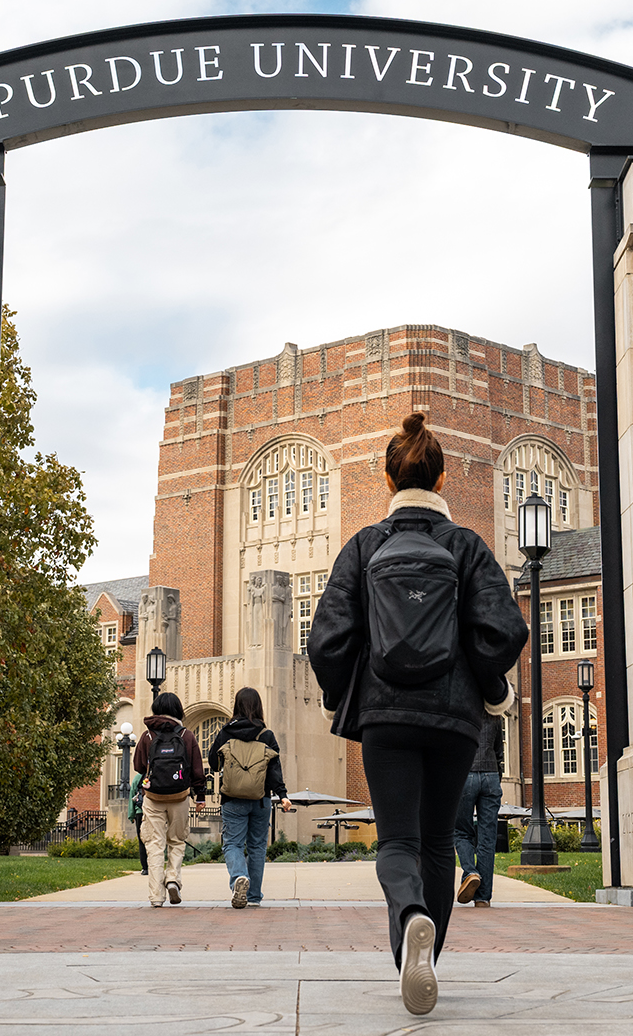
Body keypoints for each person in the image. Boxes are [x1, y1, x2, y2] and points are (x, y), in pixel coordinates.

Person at [308, 412, 528, 1016]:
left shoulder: (365, 546)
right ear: (442, 477)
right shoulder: (465, 547)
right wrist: (488, 687)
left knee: (397, 839)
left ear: (387, 477)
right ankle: (426, 950)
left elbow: (326, 639)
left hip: (386, 715)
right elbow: (506, 628)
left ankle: (408, 921)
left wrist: (340, 693)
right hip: (456, 719)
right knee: (437, 842)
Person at [208, 687, 294, 909]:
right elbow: (275, 769)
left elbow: (213, 763)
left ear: (236, 705)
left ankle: (238, 877)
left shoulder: (225, 733)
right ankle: (254, 895)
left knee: (233, 844)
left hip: (232, 799)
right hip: (261, 799)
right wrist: (283, 795)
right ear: (258, 706)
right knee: (257, 847)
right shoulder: (266, 735)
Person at [133, 691, 205, 907]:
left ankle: (156, 896)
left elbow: (138, 766)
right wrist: (200, 796)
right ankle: (173, 879)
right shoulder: (186, 735)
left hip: (153, 796)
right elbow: (197, 770)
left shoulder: (147, 736)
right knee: (176, 840)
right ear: (178, 710)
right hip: (180, 796)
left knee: (154, 845)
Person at [453, 710, 503, 908]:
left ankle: (470, 872)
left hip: (465, 773)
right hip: (491, 776)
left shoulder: (460, 712)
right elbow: (498, 750)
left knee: (461, 832)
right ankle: (482, 897)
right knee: (487, 838)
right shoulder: (495, 714)